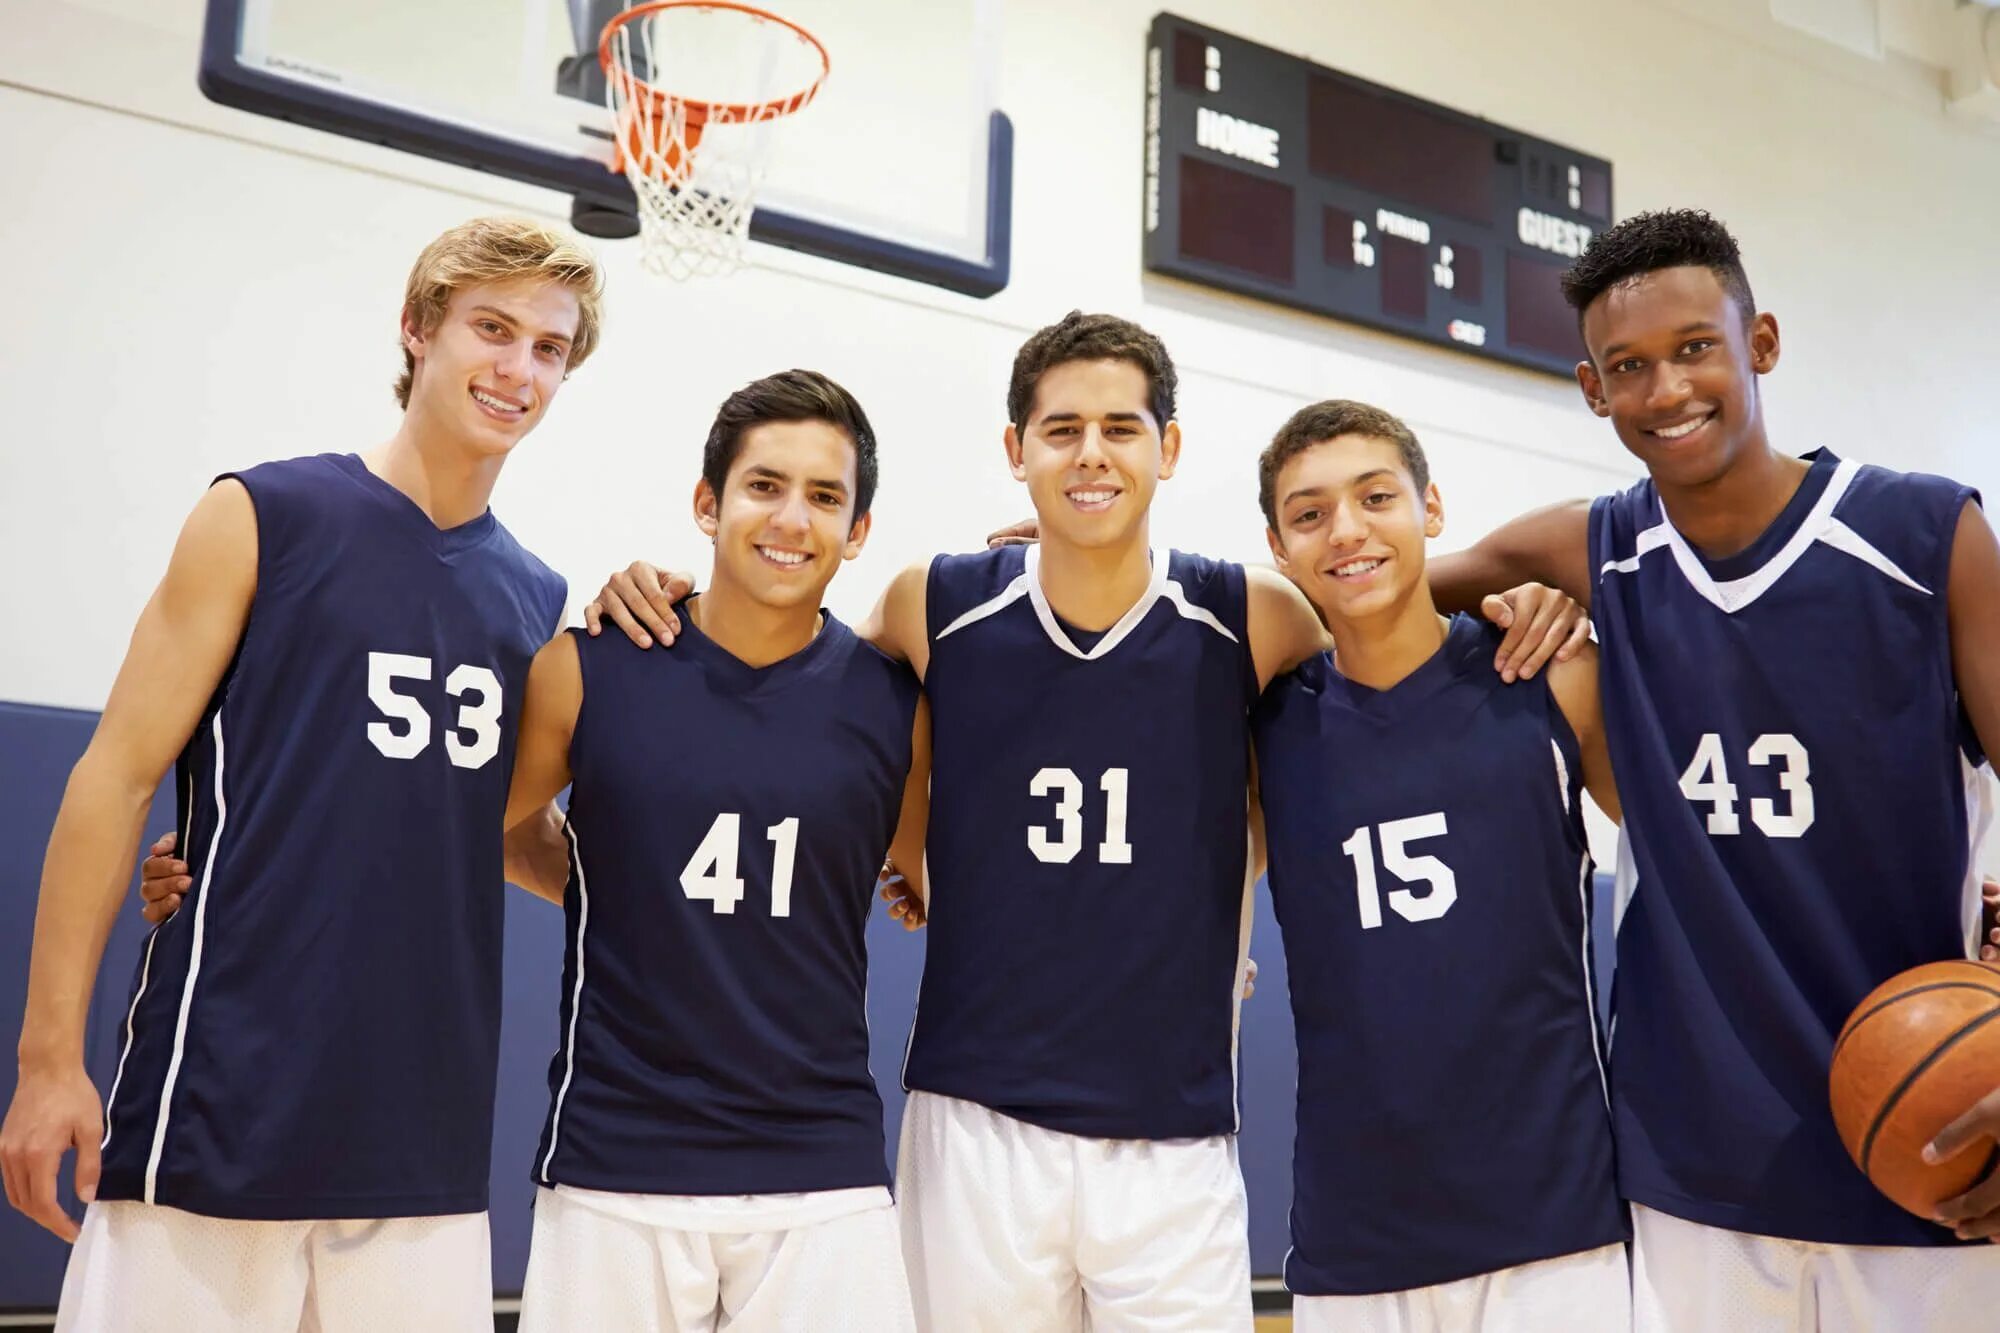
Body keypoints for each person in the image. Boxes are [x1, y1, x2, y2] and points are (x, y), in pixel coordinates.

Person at [586, 312, 1587, 1330]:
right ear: (1014, 450)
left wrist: (1507, 594)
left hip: (1175, 1132)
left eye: (1120, 426)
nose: (1091, 452)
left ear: (1169, 449)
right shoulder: (933, 602)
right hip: (972, 1122)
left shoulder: (1251, 613)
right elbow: (807, 705)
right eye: (1060, 429)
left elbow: (1378, 610)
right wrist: (665, 599)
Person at [0, 217, 597, 1331]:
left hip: (422, 1127)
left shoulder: (534, 597)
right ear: (419, 331)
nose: (518, 369)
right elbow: (114, 779)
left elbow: (491, 825)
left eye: (550, 348)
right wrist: (48, 1064)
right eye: (492, 328)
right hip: (225, 1092)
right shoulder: (264, 514)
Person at [1424, 208, 2000, 1327]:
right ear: (1591, 390)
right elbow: (1358, 597)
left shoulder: (1924, 535)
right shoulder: (1591, 549)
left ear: (1760, 344)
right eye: (1626, 367)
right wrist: (1106, 564)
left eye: (1694, 347)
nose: (1664, 390)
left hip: (1934, 1130)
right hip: (1695, 1158)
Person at [1251, 399, 1628, 1331]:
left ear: (1432, 507)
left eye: (1376, 496)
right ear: (1278, 547)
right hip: (1356, 1239)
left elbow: (1703, 859)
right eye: (1309, 514)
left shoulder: (1551, 673)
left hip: (1558, 1222)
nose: (1346, 529)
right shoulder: (1262, 726)